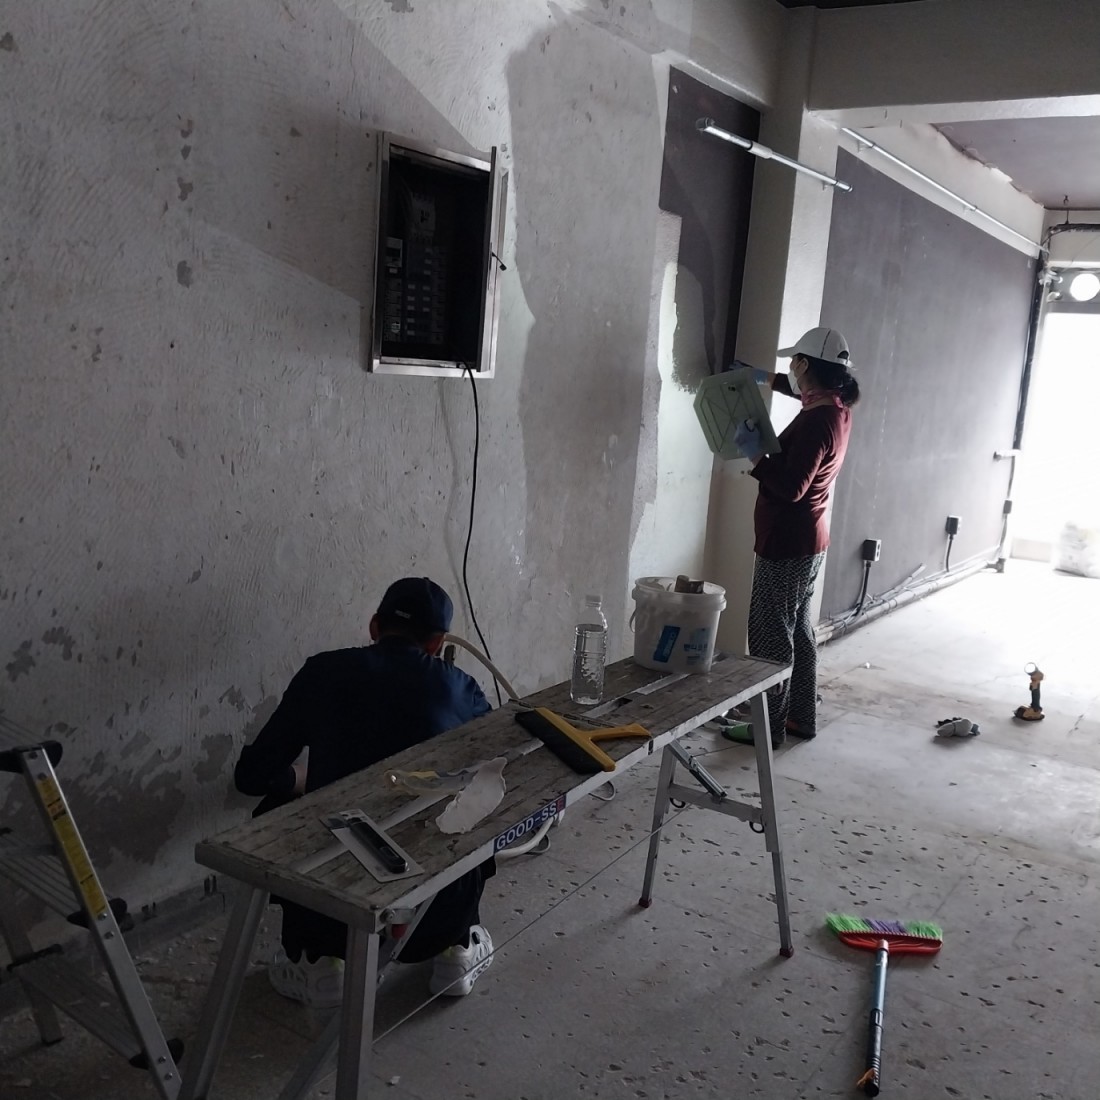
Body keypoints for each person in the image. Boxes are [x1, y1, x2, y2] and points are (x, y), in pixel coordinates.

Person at [233, 577, 494, 1008]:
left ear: (374, 626)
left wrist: (302, 780)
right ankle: (456, 948)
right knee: (475, 807)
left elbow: (250, 776)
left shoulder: (322, 672)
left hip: (337, 893)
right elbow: (495, 769)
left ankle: (321, 962)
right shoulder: (460, 688)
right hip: (429, 905)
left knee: (277, 810)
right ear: (437, 644)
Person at [732, 327, 860, 747]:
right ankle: (799, 717)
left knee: (770, 636)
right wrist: (759, 377)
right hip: (809, 540)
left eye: (794, 362)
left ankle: (767, 728)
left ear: (804, 364)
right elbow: (801, 390)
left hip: (786, 543)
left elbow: (791, 488)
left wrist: (755, 453)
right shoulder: (836, 407)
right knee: (798, 632)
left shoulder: (816, 422)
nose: (791, 368)